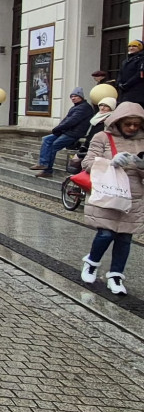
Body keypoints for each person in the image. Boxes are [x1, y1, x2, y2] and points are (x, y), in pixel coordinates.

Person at [79, 101, 144, 295]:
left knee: (125, 238)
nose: (132, 128)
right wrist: (111, 163)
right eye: (128, 124)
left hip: (134, 196)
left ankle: (116, 276)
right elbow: (87, 163)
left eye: (136, 124)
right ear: (118, 121)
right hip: (109, 191)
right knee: (106, 234)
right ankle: (91, 263)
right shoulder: (102, 137)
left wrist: (141, 166)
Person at [29, 87, 94, 177]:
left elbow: (71, 121)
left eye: (75, 96)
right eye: (71, 96)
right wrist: (58, 129)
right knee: (46, 139)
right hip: (67, 131)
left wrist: (58, 128)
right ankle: (43, 164)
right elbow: (66, 120)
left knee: (53, 146)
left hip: (74, 133)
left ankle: (47, 171)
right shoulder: (76, 107)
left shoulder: (84, 108)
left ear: (81, 97)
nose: (73, 98)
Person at [116, 40, 144, 105]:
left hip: (137, 93)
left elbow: (139, 74)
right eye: (129, 46)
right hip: (124, 93)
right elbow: (120, 73)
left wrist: (127, 84)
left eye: (134, 46)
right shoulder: (126, 61)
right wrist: (119, 83)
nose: (131, 48)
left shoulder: (142, 59)